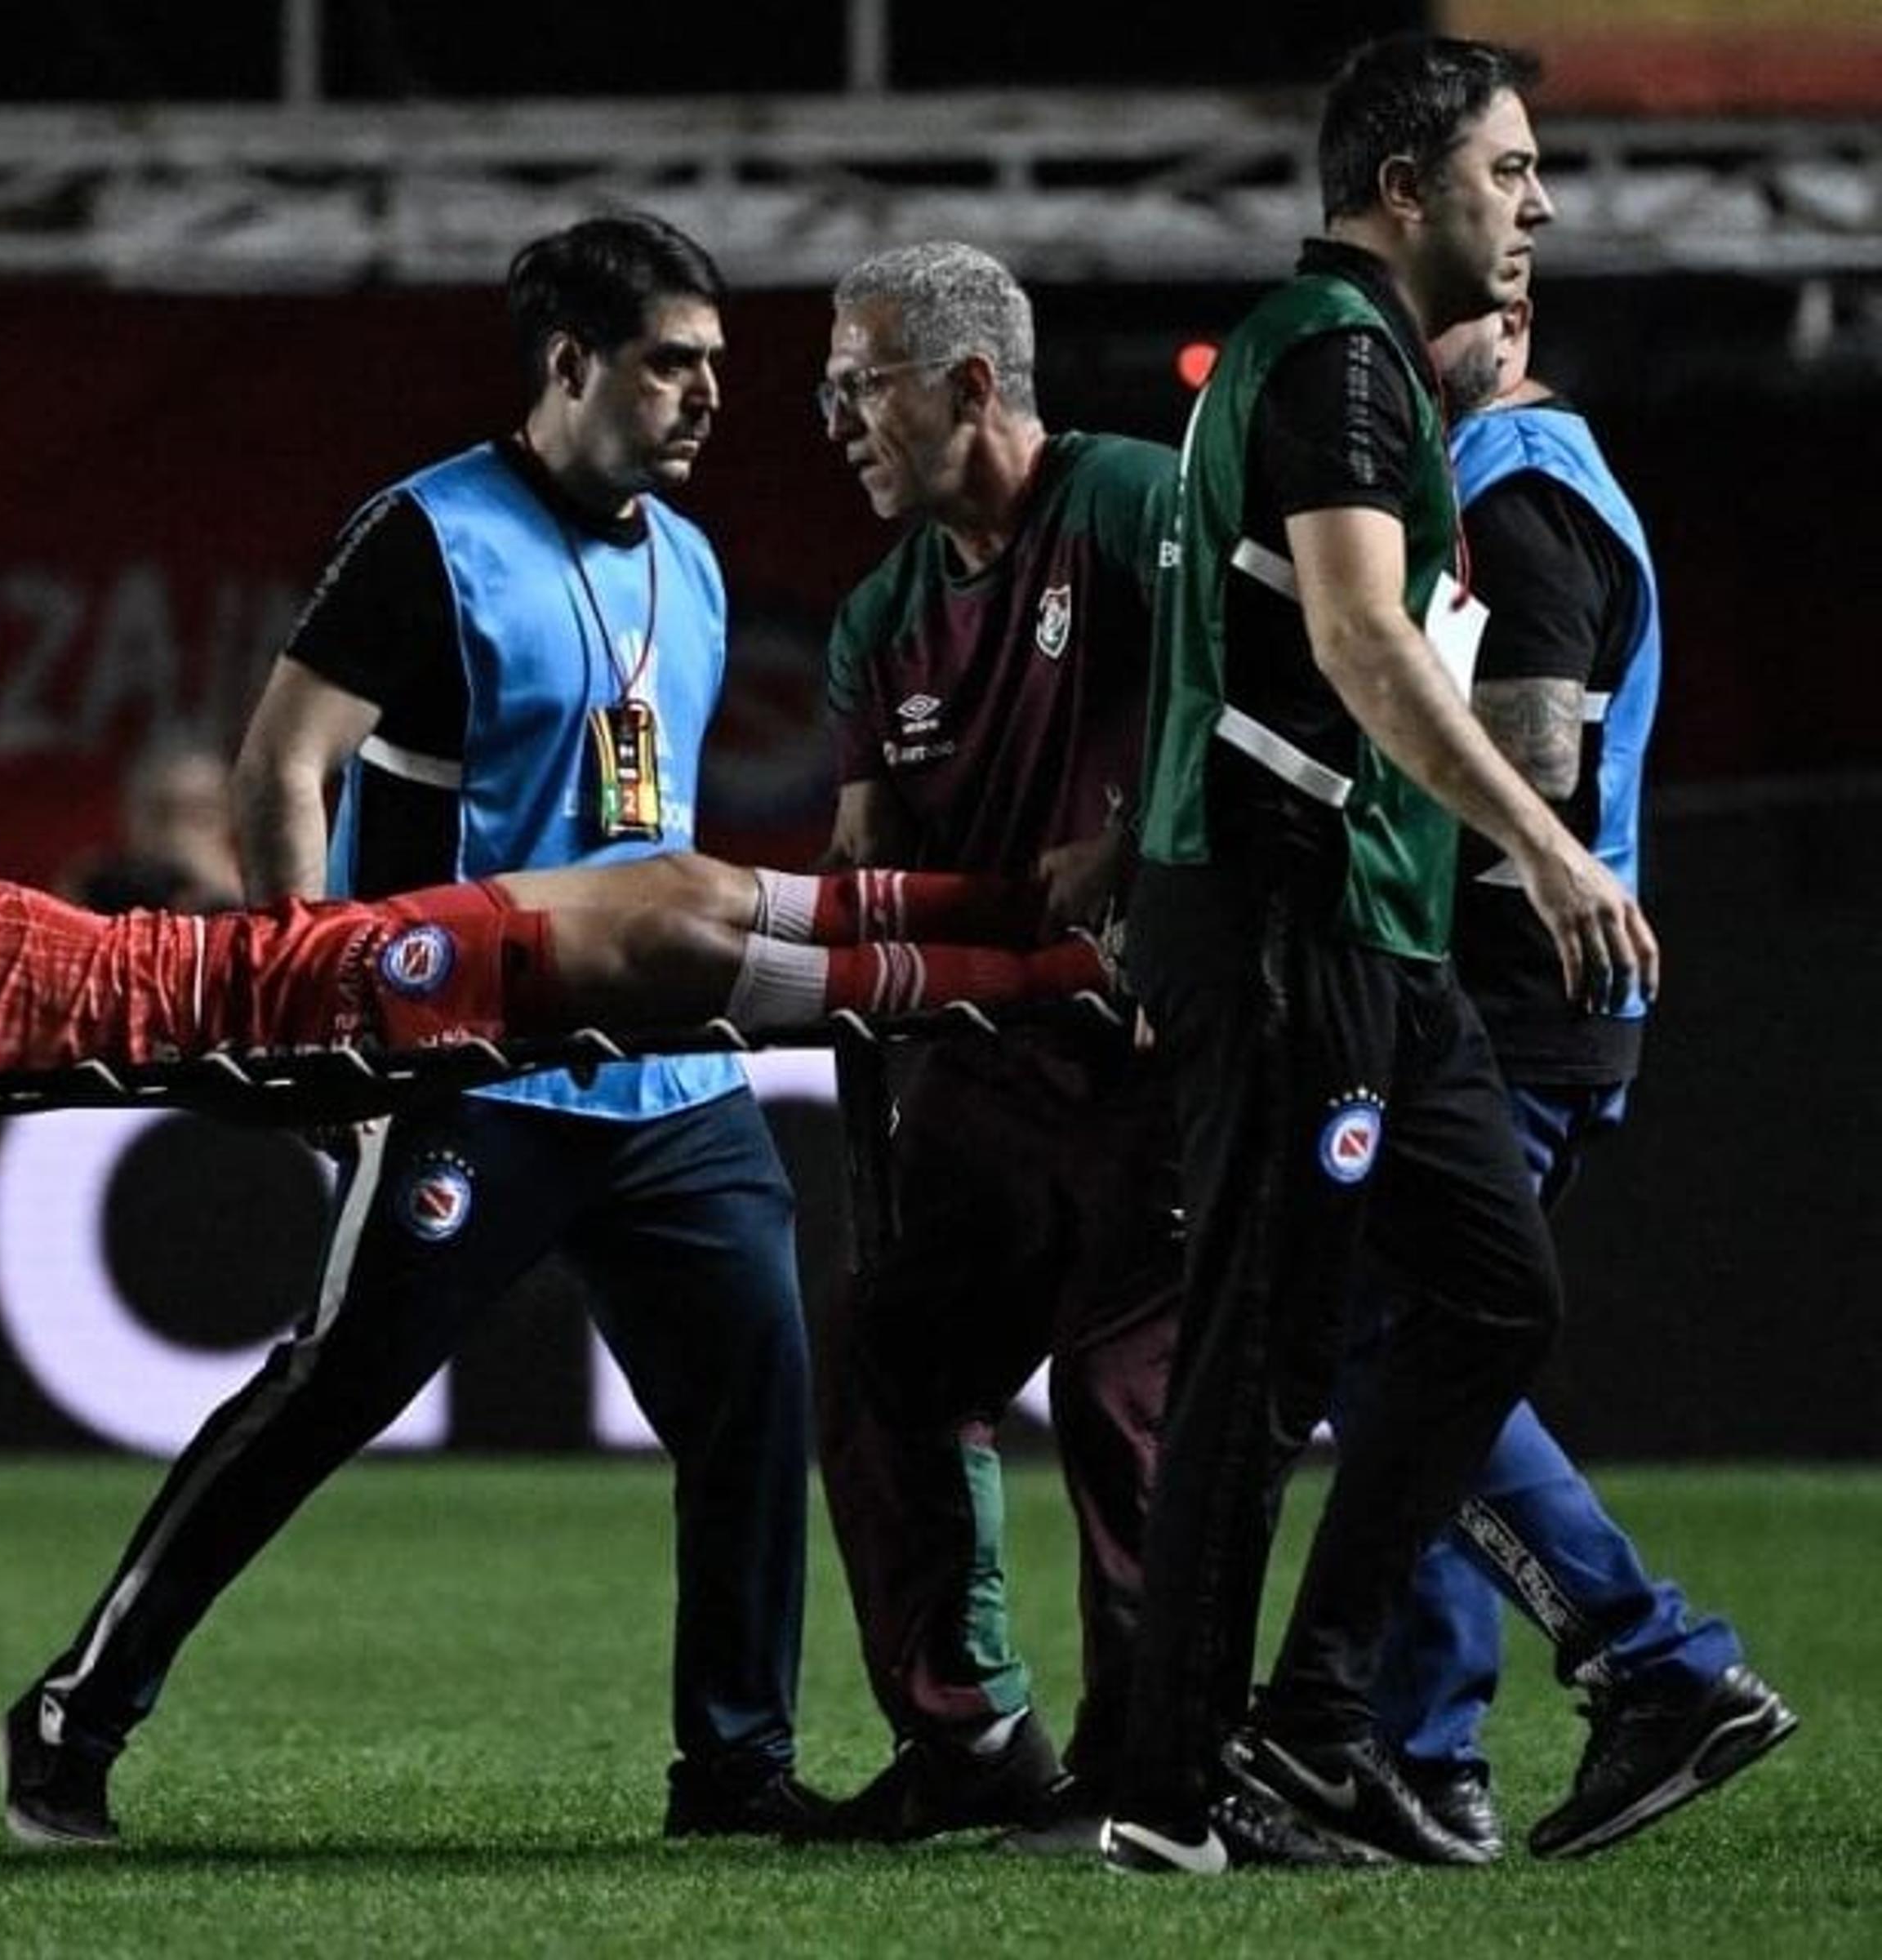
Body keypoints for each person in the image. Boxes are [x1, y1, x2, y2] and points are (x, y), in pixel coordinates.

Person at [0, 213, 852, 1848]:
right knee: (325, 1399)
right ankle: (69, 1715)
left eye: (719, 368)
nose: (707, 398)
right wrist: (324, 1015)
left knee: (763, 1395)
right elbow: (279, 763)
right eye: (674, 364)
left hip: (666, 1083)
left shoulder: (696, 559)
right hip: (471, 1070)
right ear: (571, 365)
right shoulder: (428, 537)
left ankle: (734, 1775)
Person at [1101, 36, 1662, 1875]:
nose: (1541, 206)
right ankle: (1177, 1797)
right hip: (1290, 920)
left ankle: (1321, 1721)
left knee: (1498, 1300)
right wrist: (1546, 844)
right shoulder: (1341, 358)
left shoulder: (1342, 371)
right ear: (1401, 189)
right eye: (1510, 171)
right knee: (1264, 1355)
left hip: (1369, 930)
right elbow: (1358, 638)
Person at [1352, 296, 1791, 1860]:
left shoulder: (1516, 500)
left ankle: (1648, 1662)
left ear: (1506, 319)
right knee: (1402, 1342)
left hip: (1513, 1000)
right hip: (1538, 999)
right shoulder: (1509, 475)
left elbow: (1524, 783)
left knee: (1404, 1343)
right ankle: (1423, 1754)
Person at [0, 697, 1110, 1081]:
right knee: (681, 946)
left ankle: (1029, 914)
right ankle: (1066, 985)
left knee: (673, 881)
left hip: (254, 959)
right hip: (264, 1005)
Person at [798, 241, 1180, 1847]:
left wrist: (1143, 847)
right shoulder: (881, 617)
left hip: (1161, 1058)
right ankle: (976, 1747)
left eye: (857, 386)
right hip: (988, 1079)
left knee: (1120, 1396)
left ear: (967, 385)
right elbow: (861, 861)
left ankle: (1154, 1772)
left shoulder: (1139, 506)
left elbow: (1273, 705)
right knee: (890, 1362)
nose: (834, 423)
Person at [65, 738, 244, 915]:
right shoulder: (98, 883)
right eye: (163, 811)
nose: (179, 828)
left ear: (226, 814)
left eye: (201, 810)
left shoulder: (248, 888)